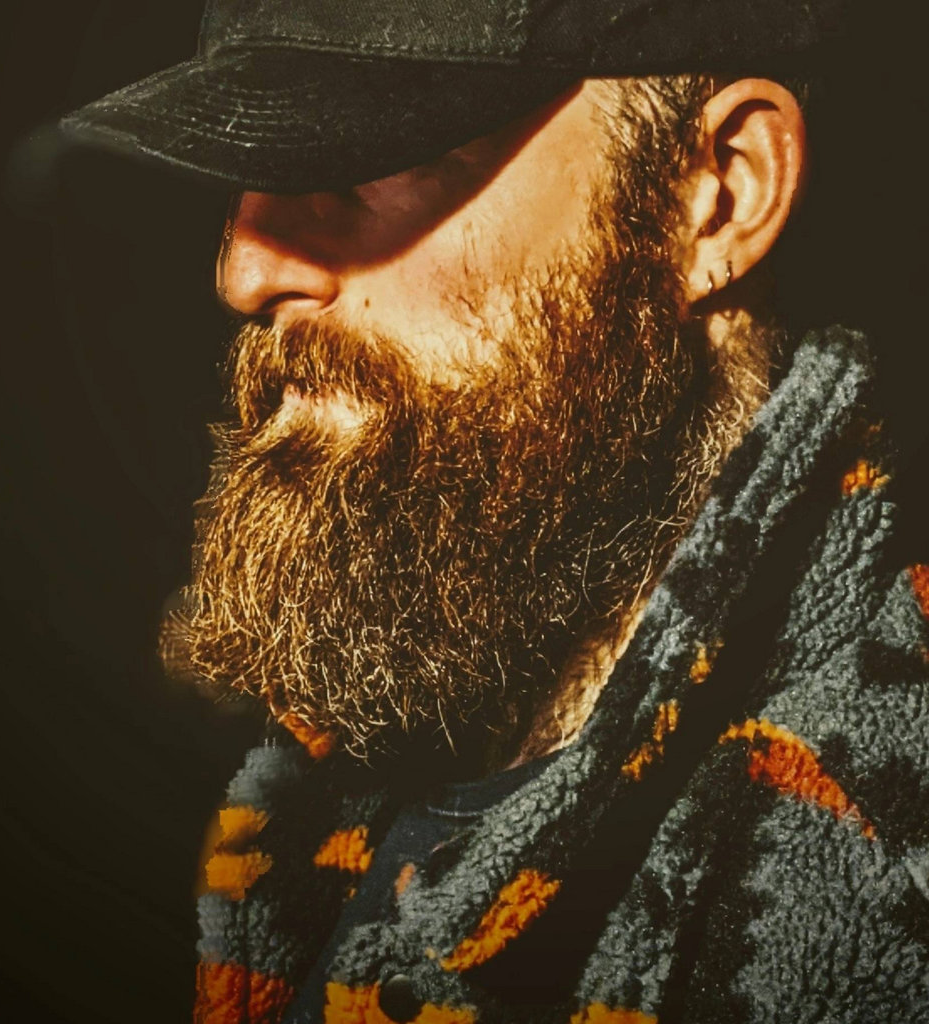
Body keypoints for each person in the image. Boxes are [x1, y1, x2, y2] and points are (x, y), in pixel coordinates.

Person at [63, 0, 929, 1020]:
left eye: (370, 161)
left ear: (722, 193)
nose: (245, 269)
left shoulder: (882, 851)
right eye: (249, 177)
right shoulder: (356, 725)